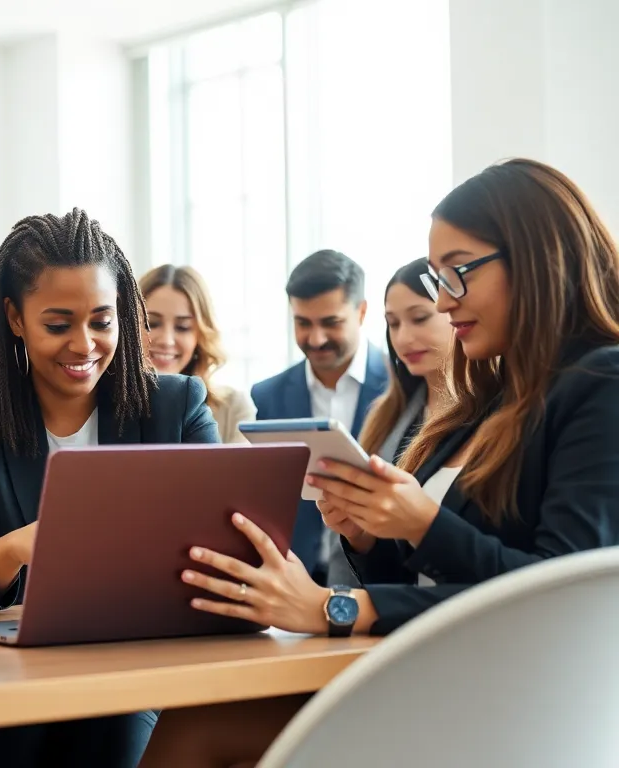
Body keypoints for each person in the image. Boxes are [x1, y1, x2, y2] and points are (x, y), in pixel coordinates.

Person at [140, 158, 619, 768]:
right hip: (436, 671)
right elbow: (439, 576)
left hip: (504, 700)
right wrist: (369, 536)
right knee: (197, 722)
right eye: (437, 279)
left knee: (201, 731)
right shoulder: (494, 400)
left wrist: (346, 599)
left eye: (457, 274)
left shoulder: (601, 384)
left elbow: (560, 595)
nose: (445, 304)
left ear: (533, 258)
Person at [0, 208, 220, 768]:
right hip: (5, 690)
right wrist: (32, 541)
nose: (84, 345)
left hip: (132, 680)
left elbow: (222, 548)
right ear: (14, 317)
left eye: (102, 321)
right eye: (58, 324)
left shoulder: (177, 407)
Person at [249, 250, 389, 583]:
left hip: (379, 581)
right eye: (303, 323)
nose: (316, 339)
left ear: (362, 311)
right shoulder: (267, 396)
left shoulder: (402, 388)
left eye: (331, 323)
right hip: (295, 581)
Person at [323, 258, 456, 585]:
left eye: (419, 318)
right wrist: (360, 537)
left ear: (457, 312)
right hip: (374, 599)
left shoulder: (490, 417)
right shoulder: (385, 413)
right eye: (393, 324)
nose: (403, 338)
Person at [138, 264, 255, 442]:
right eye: (152, 324)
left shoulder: (233, 407)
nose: (167, 340)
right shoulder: (99, 406)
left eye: (183, 327)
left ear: (200, 336)